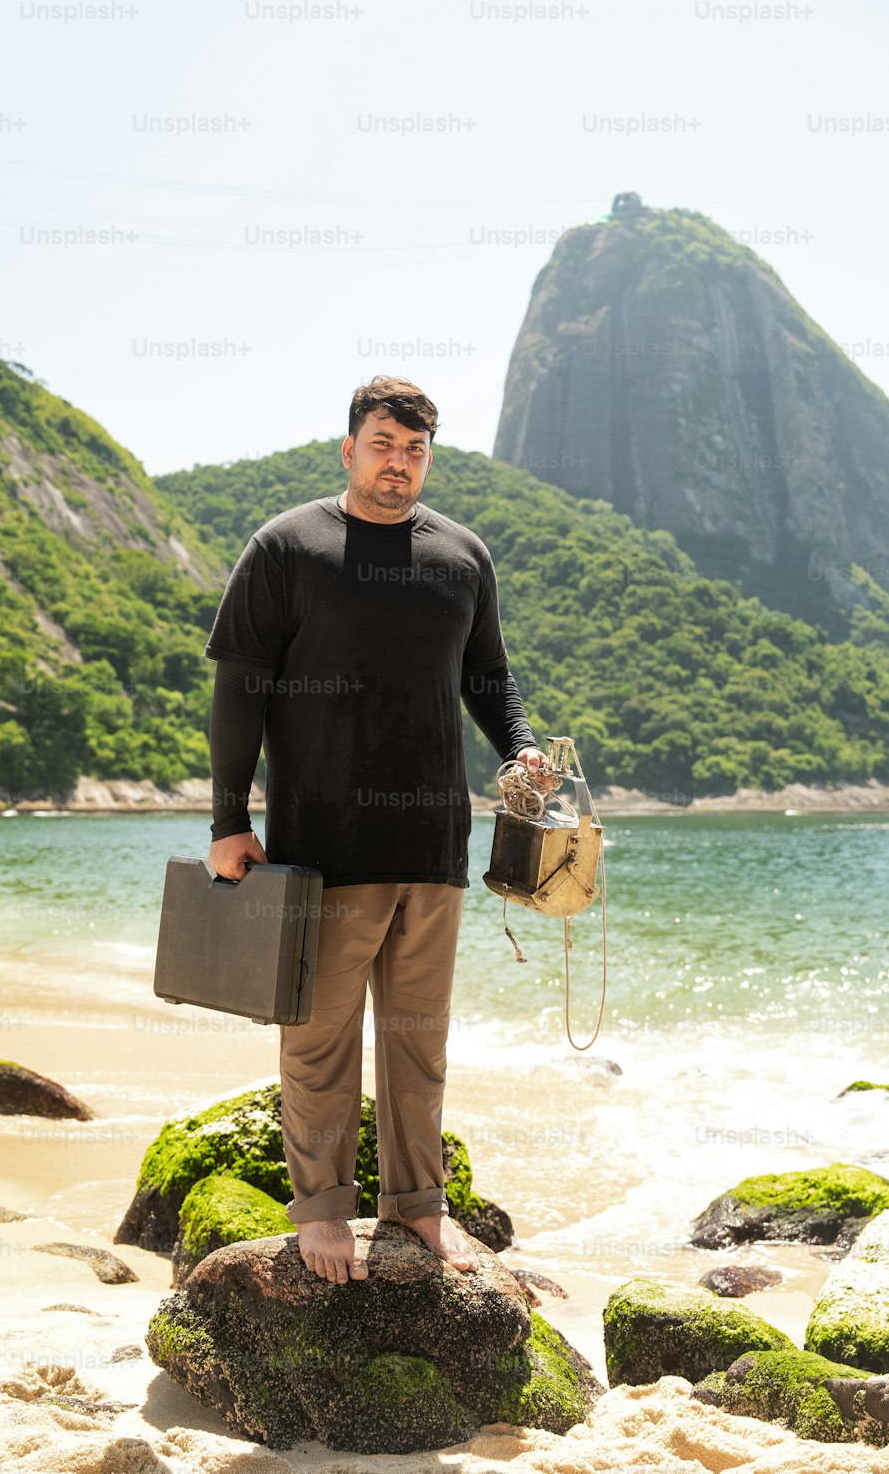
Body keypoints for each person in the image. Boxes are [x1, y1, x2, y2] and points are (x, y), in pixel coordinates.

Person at [203, 375, 553, 1285]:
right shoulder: (288, 547)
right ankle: (321, 1213)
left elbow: (491, 679)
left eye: (416, 449)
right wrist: (229, 820)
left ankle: (418, 1207)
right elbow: (240, 687)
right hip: (322, 846)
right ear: (350, 447)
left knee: (416, 1039)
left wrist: (518, 752)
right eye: (384, 444)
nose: (400, 463)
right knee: (319, 1042)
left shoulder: (463, 556)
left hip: (436, 847)